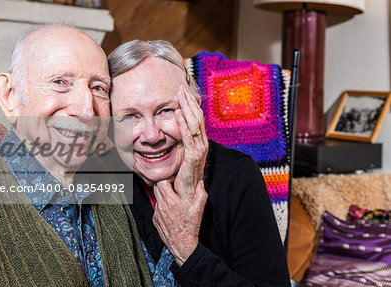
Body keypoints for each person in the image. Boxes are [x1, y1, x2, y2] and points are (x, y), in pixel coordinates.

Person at [0, 26, 152, 287]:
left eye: (98, 87)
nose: (87, 110)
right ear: (10, 95)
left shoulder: (110, 183)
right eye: (60, 82)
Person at [108, 40, 291, 286]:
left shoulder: (237, 175)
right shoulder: (103, 179)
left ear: (195, 106)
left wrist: (188, 250)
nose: (152, 136)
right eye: (130, 116)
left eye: (165, 110)